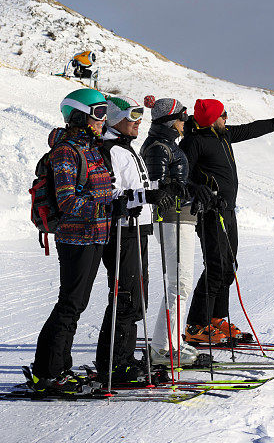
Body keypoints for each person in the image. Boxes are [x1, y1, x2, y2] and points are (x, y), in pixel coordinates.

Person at [180, 99, 274, 345]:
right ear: (213, 119)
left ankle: (216, 319)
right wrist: (197, 189)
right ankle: (196, 325)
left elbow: (253, 128)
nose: (227, 117)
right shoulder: (193, 142)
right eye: (223, 114)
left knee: (228, 267)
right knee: (215, 267)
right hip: (210, 212)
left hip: (227, 211)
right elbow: (181, 176)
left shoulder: (223, 134)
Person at [31, 88, 114, 395]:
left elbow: (97, 190)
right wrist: (105, 206)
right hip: (77, 237)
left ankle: (59, 368)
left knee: (75, 304)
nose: (103, 120)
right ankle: (48, 373)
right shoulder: (67, 151)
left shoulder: (91, 147)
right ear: (80, 115)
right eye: (99, 113)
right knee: (69, 305)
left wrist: (117, 200)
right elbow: (67, 202)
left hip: (96, 234)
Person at [95, 95, 175, 385]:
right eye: (132, 117)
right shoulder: (110, 151)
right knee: (126, 296)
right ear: (116, 118)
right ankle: (114, 364)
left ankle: (124, 359)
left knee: (137, 296)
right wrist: (147, 196)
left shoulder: (128, 149)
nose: (139, 122)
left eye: (141, 117)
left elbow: (140, 185)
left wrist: (164, 190)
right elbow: (112, 195)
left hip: (138, 229)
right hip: (121, 230)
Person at [140, 97, 201, 366]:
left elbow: (175, 184)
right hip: (171, 219)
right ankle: (162, 349)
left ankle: (172, 342)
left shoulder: (167, 145)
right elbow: (158, 188)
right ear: (169, 120)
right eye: (182, 117)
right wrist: (187, 191)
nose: (185, 122)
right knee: (179, 283)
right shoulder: (158, 147)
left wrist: (198, 193)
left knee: (182, 283)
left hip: (181, 217)